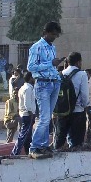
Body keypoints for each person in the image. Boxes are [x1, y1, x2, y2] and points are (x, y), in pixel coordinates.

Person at [27, 20, 63, 159]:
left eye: (56, 35)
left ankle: (43, 145)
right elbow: (31, 67)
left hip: (54, 82)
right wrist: (50, 63)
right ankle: (34, 147)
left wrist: (56, 65)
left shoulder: (52, 47)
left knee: (48, 118)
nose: (54, 37)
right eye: (53, 34)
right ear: (46, 32)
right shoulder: (37, 47)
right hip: (42, 84)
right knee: (44, 117)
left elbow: (51, 66)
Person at [58, 52, 90, 151]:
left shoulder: (61, 73)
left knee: (60, 141)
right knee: (76, 143)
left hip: (63, 111)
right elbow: (84, 94)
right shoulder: (82, 74)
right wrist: (85, 105)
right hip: (77, 111)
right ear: (78, 62)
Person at [11, 72, 36, 157]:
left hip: (24, 114)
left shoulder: (23, 88)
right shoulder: (28, 89)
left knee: (28, 136)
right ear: (30, 78)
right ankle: (15, 153)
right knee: (23, 135)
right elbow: (27, 104)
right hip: (27, 114)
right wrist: (31, 114)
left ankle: (28, 152)